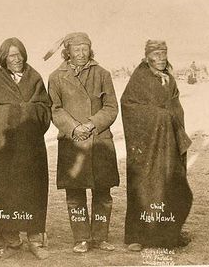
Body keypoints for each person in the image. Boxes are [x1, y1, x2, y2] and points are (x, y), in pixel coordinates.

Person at [0, 37, 51, 259]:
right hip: (3, 150)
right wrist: (5, 117)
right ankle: (12, 242)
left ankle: (35, 241)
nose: (17, 59)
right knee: (6, 194)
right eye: (12, 55)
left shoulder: (34, 78)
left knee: (32, 191)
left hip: (30, 149)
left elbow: (45, 109)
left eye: (20, 54)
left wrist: (22, 112)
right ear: (3, 59)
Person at [46, 32, 120, 253]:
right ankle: (81, 238)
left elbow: (111, 107)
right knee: (75, 193)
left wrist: (90, 124)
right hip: (72, 142)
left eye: (84, 48)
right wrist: (74, 128)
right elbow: (54, 109)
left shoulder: (103, 74)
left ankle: (100, 237)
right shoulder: (56, 77)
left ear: (90, 49)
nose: (80, 53)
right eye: (76, 49)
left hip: (99, 139)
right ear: (67, 52)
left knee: (103, 193)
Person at [121, 40, 193, 251]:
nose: (161, 57)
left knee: (169, 185)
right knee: (143, 188)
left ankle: (166, 235)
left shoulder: (169, 80)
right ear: (147, 57)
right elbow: (129, 106)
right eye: (157, 54)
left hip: (168, 143)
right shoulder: (139, 78)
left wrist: (170, 114)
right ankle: (137, 236)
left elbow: (176, 106)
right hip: (146, 146)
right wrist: (159, 115)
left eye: (164, 53)